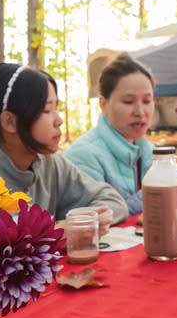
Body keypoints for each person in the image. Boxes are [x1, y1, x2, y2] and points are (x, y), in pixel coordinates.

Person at [0, 63, 128, 230]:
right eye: (47, 110)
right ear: (10, 122)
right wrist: (59, 232)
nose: (59, 120)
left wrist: (87, 220)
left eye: (57, 108)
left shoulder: (52, 165)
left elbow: (113, 201)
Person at [63, 53, 155, 215]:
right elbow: (92, 217)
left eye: (147, 101)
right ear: (103, 103)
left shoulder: (150, 152)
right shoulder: (83, 155)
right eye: (128, 101)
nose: (140, 112)